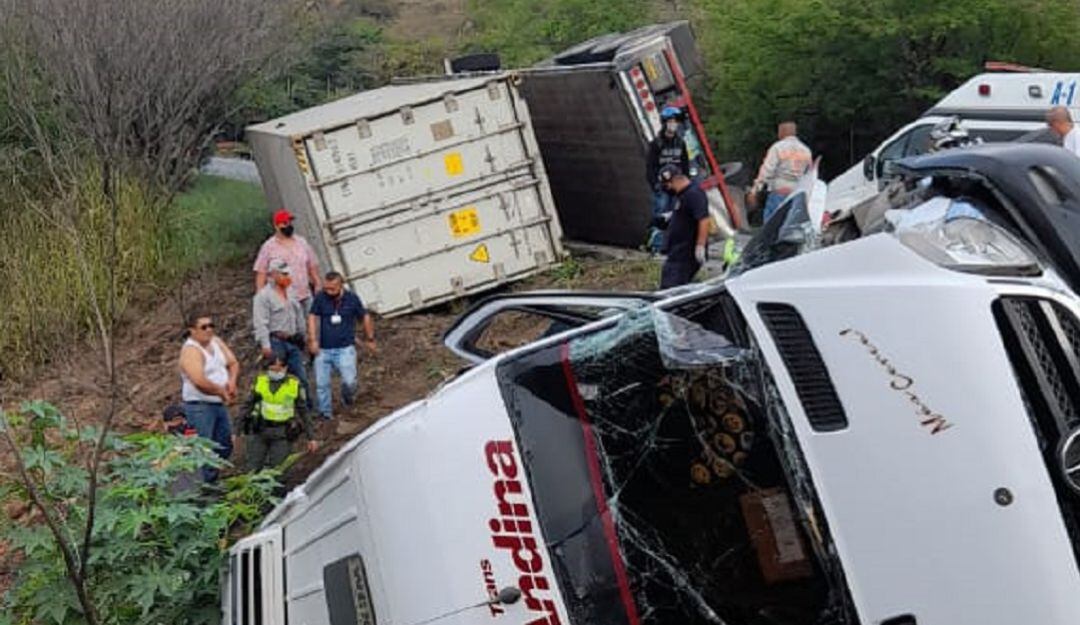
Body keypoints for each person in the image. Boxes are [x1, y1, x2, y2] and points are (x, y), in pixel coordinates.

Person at [178, 311, 239, 482]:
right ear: (192, 330)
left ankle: (212, 477)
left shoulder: (217, 342)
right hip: (199, 406)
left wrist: (232, 382)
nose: (209, 330)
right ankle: (204, 486)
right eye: (203, 327)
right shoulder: (191, 351)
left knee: (224, 444)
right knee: (204, 449)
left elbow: (233, 363)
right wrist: (221, 391)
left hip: (218, 403)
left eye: (211, 325)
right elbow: (199, 380)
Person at [307, 272, 377, 421]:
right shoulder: (320, 297)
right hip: (323, 349)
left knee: (350, 381)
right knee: (322, 384)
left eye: (332, 289)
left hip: (345, 348)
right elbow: (312, 316)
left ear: (341, 285)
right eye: (326, 288)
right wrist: (313, 339)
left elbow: (364, 316)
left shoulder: (352, 298)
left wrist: (370, 338)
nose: (328, 292)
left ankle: (347, 398)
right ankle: (326, 414)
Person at [240, 350, 318, 472]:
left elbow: (303, 412)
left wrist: (311, 437)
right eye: (273, 369)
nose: (276, 372)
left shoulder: (294, 384)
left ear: (285, 368)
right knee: (253, 468)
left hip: (282, 433)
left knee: (279, 471)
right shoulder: (260, 381)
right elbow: (247, 406)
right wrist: (236, 430)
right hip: (260, 430)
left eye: (279, 369)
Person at [253, 259, 312, 409]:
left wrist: (303, 334)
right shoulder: (263, 297)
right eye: (283, 274)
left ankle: (307, 410)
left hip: (293, 341)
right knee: (278, 379)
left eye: (288, 273)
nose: (287, 277)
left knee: (301, 378)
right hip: (276, 342)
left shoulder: (291, 291)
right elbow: (261, 323)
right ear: (273, 275)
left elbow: (298, 313)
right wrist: (265, 346)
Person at [253, 208, 322, 311]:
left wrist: (317, 283)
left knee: (313, 324)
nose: (288, 225)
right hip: (284, 299)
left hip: (305, 294)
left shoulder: (301, 242)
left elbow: (311, 265)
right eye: (284, 223)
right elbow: (261, 272)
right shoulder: (268, 247)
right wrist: (261, 297)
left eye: (289, 222)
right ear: (276, 226)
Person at [656, 164, 710, 288]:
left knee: (670, 290)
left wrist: (700, 246)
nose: (667, 189)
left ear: (674, 180)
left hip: (685, 254)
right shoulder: (683, 195)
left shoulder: (694, 194)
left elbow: (704, 220)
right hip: (677, 252)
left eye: (667, 185)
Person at [646, 106, 691, 252]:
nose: (673, 124)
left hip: (677, 188)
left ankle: (671, 246)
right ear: (664, 123)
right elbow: (651, 167)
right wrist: (656, 186)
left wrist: (686, 184)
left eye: (676, 121)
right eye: (670, 121)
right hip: (662, 189)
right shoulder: (656, 144)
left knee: (676, 217)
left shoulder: (681, 143)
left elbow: (685, 165)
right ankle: (657, 247)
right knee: (660, 216)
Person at [751, 121, 813, 223]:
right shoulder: (806, 150)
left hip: (779, 192)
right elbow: (809, 175)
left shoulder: (777, 148)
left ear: (782, 132)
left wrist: (755, 190)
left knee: (771, 227)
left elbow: (766, 171)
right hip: (797, 193)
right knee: (789, 226)